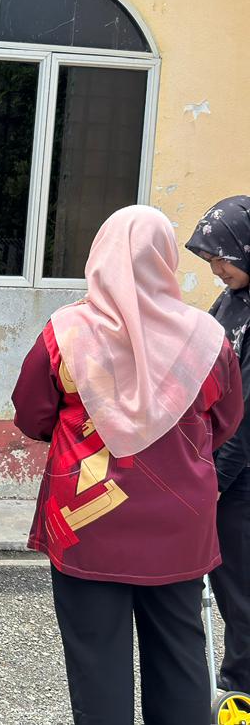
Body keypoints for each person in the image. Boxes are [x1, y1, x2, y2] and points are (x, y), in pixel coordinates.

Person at [12, 205, 244, 724]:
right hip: (180, 523)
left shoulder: (66, 332)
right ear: (164, 259)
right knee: (181, 654)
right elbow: (226, 421)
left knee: (96, 661)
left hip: (88, 519)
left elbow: (31, 413)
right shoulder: (207, 339)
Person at [186, 196, 250, 693]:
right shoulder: (231, 301)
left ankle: (239, 687)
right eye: (210, 260)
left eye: (222, 257)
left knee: (239, 586)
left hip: (241, 471)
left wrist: (214, 482)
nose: (217, 270)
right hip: (219, 458)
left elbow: (246, 413)